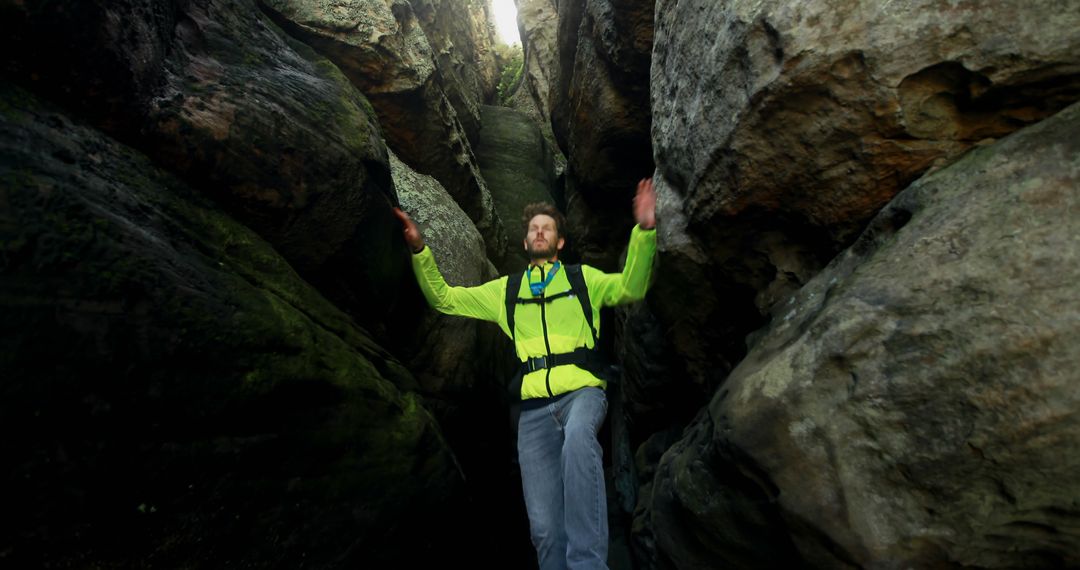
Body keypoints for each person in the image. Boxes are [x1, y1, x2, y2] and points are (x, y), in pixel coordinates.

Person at [392, 178, 657, 570]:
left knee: (579, 443)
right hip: (533, 413)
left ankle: (587, 564)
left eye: (547, 227)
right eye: (533, 227)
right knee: (546, 532)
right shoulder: (507, 292)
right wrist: (419, 248)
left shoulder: (585, 280)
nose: (539, 232)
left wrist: (645, 230)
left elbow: (632, 287)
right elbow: (445, 299)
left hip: (582, 393)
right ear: (525, 241)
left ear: (560, 242)